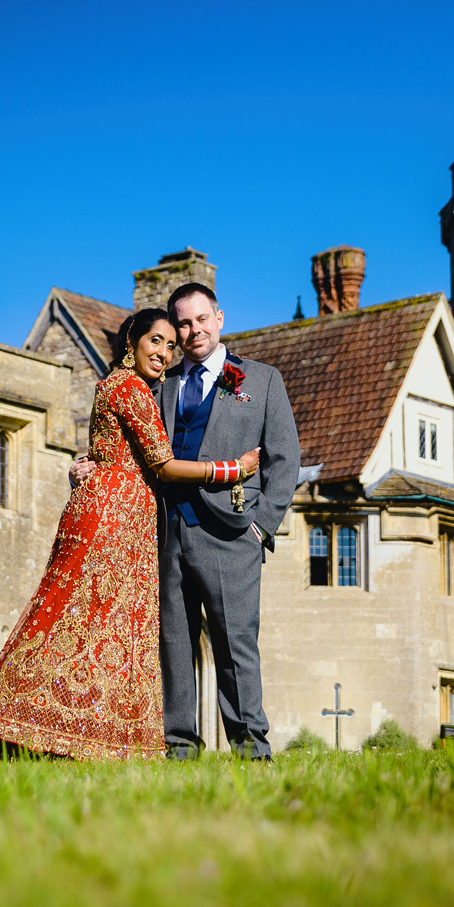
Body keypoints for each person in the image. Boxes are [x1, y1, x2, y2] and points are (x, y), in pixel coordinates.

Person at [0, 308, 259, 762]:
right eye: (155, 341)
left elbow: (116, 450)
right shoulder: (132, 389)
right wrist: (233, 469)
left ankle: (70, 732)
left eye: (169, 345)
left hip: (113, 511)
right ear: (131, 341)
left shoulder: (118, 387)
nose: (163, 352)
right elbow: (162, 464)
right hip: (113, 518)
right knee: (91, 624)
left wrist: (89, 467)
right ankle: (69, 733)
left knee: (85, 624)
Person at [154, 282, 300, 759]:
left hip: (232, 533)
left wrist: (262, 526)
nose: (193, 330)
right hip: (168, 531)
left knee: (235, 644)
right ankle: (179, 746)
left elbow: (285, 460)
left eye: (201, 319)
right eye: (183, 323)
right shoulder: (163, 386)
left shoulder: (260, 380)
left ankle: (250, 748)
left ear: (219, 318)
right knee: (174, 643)